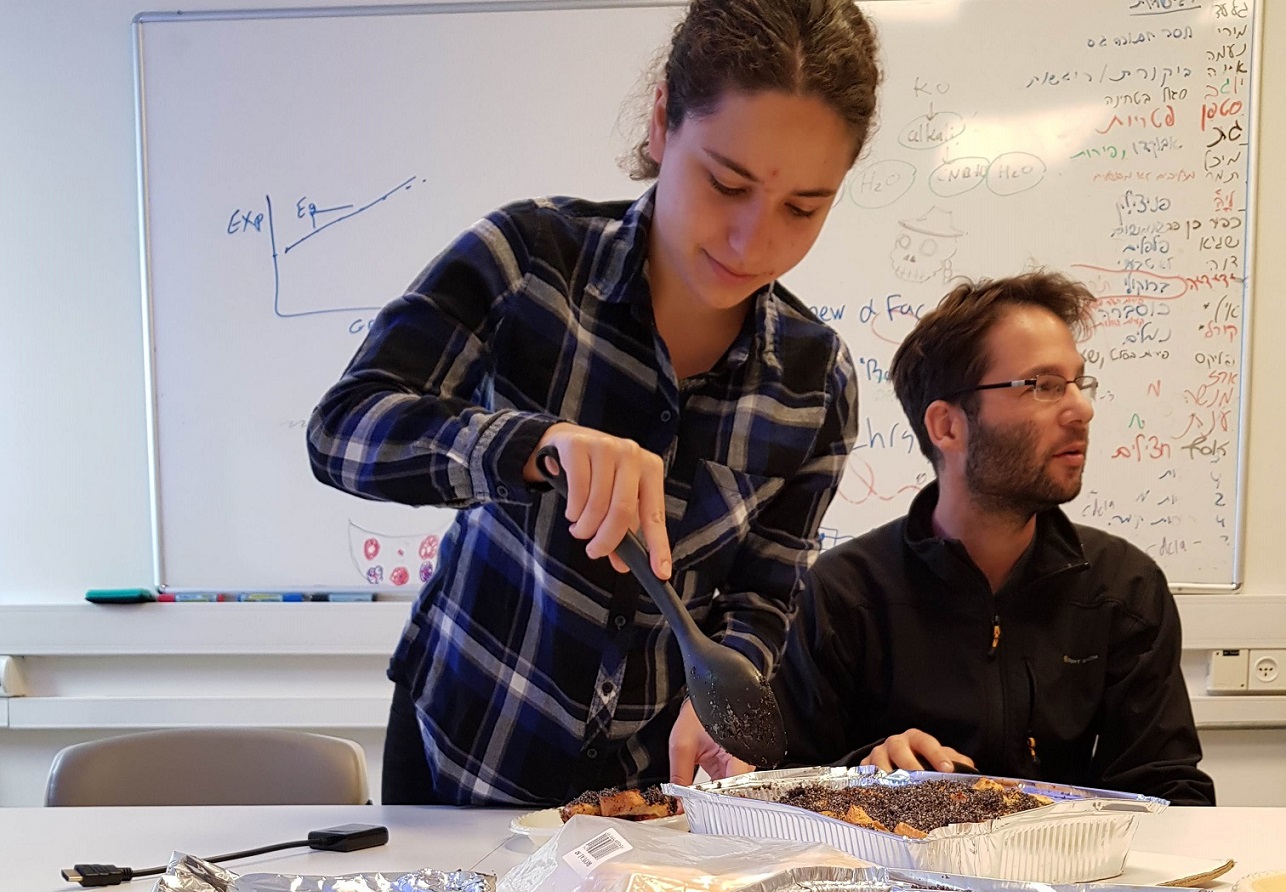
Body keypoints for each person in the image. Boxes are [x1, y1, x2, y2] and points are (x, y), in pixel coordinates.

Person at [307, 0, 881, 805]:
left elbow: (765, 590)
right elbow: (344, 430)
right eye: (726, 183)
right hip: (466, 745)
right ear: (662, 121)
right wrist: (535, 446)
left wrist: (727, 689)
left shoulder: (815, 380)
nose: (753, 241)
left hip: (642, 791)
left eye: (802, 208)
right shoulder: (529, 262)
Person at [772, 271, 1215, 805]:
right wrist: (866, 774)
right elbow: (782, 792)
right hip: (895, 859)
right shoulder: (842, 595)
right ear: (947, 426)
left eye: (1079, 383)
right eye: (1044, 385)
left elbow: (1171, 794)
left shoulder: (1123, 588)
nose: (1082, 409)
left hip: (1068, 860)